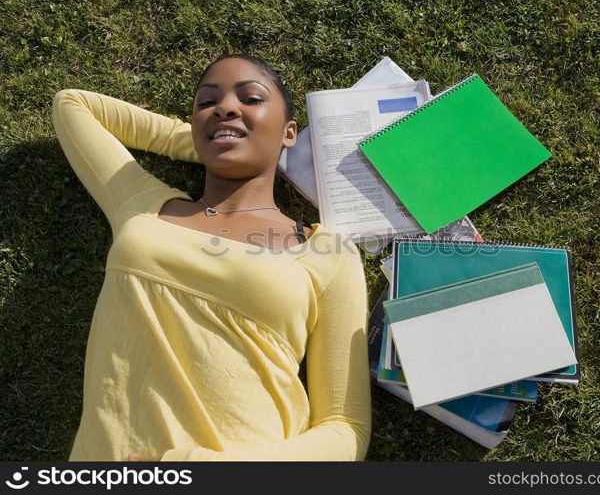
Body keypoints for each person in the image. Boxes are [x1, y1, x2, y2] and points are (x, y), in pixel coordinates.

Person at [51, 54, 372, 461]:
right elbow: (73, 105)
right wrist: (214, 139)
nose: (225, 106)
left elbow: (346, 428)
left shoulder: (327, 254)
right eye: (207, 103)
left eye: (251, 99)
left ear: (290, 132)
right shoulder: (142, 205)